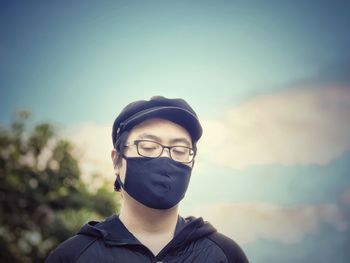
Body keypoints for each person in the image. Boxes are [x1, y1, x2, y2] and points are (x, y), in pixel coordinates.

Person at [46, 96, 249, 263]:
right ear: (117, 161)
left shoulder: (225, 255)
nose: (165, 158)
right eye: (148, 147)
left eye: (179, 150)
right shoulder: (73, 256)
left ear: (192, 165)